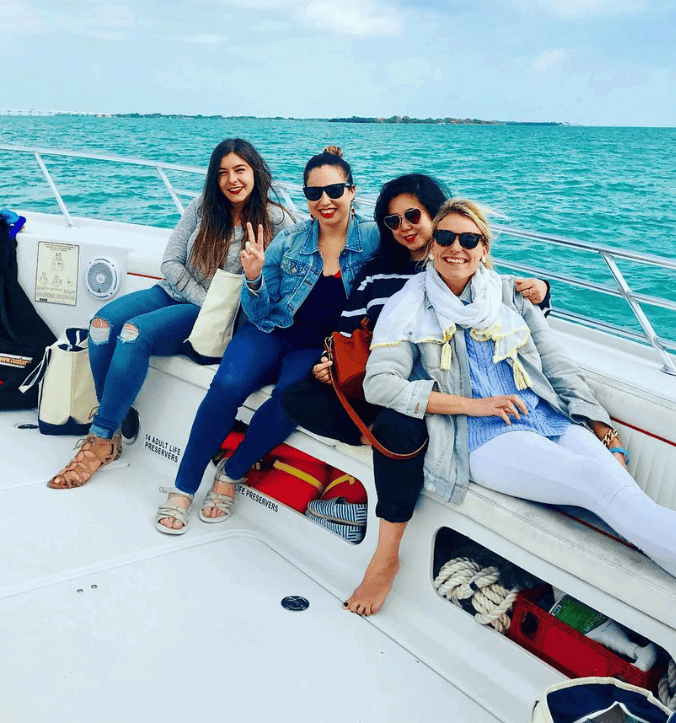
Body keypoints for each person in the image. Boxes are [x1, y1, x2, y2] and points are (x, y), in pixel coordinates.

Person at [363, 198, 676, 632]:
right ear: (432, 244)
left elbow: (557, 366)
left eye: (469, 239)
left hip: (546, 419)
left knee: (628, 505)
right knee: (604, 490)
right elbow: (380, 385)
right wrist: (475, 405)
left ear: (484, 248)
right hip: (481, 437)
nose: (455, 248)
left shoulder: (505, 295)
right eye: (445, 237)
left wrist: (601, 428)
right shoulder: (409, 304)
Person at [281, 175, 550, 616]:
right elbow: (346, 330)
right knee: (295, 397)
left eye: (414, 216)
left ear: (436, 216)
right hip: (380, 379)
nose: (404, 226)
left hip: (433, 394)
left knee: (397, 430)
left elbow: (508, 308)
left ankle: (385, 557)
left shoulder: (460, 263)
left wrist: (542, 293)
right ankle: (379, 440)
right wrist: (329, 364)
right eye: (392, 220)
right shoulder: (377, 271)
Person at [155, 145, 379, 534]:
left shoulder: (375, 239)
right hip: (268, 330)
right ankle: (184, 486)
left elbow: (423, 251)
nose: (324, 201)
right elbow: (259, 312)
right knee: (225, 386)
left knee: (290, 399)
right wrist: (255, 277)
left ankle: (233, 471)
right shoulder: (290, 240)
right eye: (314, 193)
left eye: (335, 191)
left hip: (319, 349)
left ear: (352, 192)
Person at [48, 139, 291, 490]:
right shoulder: (202, 207)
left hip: (211, 315)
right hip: (176, 291)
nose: (232, 180)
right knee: (100, 326)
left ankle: (100, 438)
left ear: (255, 172)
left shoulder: (277, 220)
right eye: (222, 173)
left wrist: (212, 304)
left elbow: (281, 281)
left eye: (240, 170)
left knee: (132, 333)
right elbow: (170, 262)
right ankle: (114, 418)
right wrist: (202, 297)